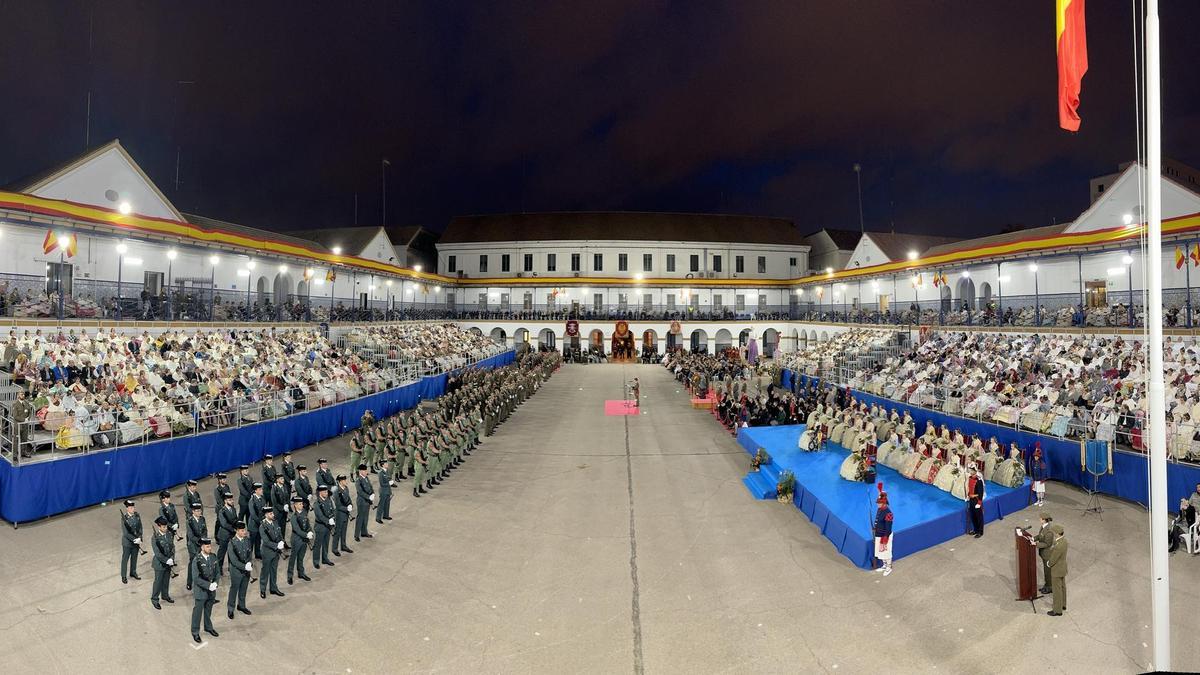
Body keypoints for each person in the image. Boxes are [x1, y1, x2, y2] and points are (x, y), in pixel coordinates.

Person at [190, 538, 220, 643]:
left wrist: (216, 583)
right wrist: (208, 585)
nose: (210, 548)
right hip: (201, 591)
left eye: (210, 546)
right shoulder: (197, 560)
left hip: (211, 590)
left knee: (208, 610)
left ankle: (208, 627)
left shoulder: (213, 557)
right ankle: (195, 632)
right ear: (202, 547)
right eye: (207, 546)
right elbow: (196, 578)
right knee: (197, 612)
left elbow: (217, 572)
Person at [225, 522, 253, 619]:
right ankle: (230, 608)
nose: (244, 532)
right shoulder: (232, 543)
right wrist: (245, 566)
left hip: (246, 569)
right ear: (237, 531)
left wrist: (249, 562)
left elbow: (249, 553)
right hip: (236, 571)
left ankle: (241, 606)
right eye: (242, 530)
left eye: (244, 530)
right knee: (234, 589)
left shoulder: (247, 540)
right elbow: (233, 561)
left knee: (243, 588)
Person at [258, 509, 285, 599]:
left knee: (274, 570)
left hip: (276, 552)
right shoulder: (262, 526)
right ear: (266, 515)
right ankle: (263, 589)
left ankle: (273, 588)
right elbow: (266, 541)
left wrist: (281, 541)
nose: (273, 515)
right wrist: (277, 545)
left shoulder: (275, 522)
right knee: (265, 571)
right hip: (267, 552)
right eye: (270, 513)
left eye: (272, 513)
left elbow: (279, 534)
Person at [1033, 513, 1063, 594]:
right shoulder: (1043, 527)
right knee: (1046, 571)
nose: (1039, 519)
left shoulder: (1049, 531)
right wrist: (1033, 538)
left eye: (1041, 518)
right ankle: (1047, 585)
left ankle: (1050, 588)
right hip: (1044, 554)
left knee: (1048, 572)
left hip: (1047, 555)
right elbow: (1040, 536)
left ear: (1044, 520)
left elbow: (1047, 544)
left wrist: (1035, 544)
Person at [150, 516, 176, 610]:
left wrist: (172, 559)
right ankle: (154, 599)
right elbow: (157, 553)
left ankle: (165, 595)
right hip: (159, 564)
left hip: (168, 562)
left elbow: (172, 547)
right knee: (158, 582)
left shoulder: (169, 534)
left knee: (166, 581)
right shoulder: (155, 538)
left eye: (166, 527)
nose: (165, 528)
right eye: (163, 527)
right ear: (159, 527)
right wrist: (166, 560)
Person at [287, 496, 313, 584]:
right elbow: (297, 530)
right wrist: (306, 535)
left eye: (302, 504)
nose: (302, 505)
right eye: (299, 504)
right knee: (293, 558)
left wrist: (310, 531)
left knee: (301, 558)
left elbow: (308, 524)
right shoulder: (294, 517)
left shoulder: (304, 513)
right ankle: (289, 576)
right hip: (296, 539)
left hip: (304, 540)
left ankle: (301, 573)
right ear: (295, 505)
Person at [312, 484, 336, 569]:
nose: (327, 493)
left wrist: (333, 518)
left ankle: (325, 558)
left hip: (328, 526)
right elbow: (320, 516)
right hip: (320, 526)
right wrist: (328, 521)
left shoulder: (328, 500)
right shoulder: (317, 503)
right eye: (325, 492)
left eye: (326, 492)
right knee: (318, 545)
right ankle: (316, 561)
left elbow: (333, 510)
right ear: (320, 493)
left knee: (326, 543)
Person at [1046, 527, 1068, 616]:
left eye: (1054, 532)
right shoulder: (1064, 541)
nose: (1053, 534)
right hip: (1063, 568)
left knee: (1056, 590)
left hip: (1057, 570)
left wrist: (1048, 563)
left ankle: (1057, 610)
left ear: (1057, 534)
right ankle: (1063, 605)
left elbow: (1053, 559)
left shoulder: (1058, 546)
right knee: (1062, 587)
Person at [185, 502, 207, 591]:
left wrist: (204, 541)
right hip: (193, 546)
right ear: (193, 512)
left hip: (201, 545)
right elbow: (190, 535)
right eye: (197, 511)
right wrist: (199, 541)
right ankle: (189, 582)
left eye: (200, 510)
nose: (199, 512)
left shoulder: (202, 519)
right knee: (193, 564)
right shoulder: (189, 521)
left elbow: (205, 530)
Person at [120, 499, 143, 584]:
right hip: (127, 543)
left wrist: (140, 537)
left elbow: (140, 527)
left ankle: (133, 572)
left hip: (136, 541)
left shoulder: (137, 515)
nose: (133, 509)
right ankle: (123, 576)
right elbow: (125, 533)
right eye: (131, 507)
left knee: (134, 558)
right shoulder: (124, 519)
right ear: (127, 508)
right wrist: (134, 539)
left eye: (133, 507)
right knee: (125, 559)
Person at [873, 482, 894, 576]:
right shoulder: (880, 509)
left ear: (884, 503)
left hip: (885, 535)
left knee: (886, 552)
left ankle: (889, 567)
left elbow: (888, 527)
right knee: (880, 552)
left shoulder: (888, 513)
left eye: (879, 503)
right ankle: (884, 565)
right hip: (879, 533)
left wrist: (885, 537)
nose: (878, 504)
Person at [215, 491, 238, 576]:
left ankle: (231, 567)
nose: (232, 501)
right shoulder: (222, 511)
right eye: (229, 500)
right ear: (225, 501)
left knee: (231, 552)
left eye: (232, 499)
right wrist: (233, 529)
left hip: (231, 534)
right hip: (224, 535)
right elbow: (224, 524)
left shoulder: (233, 509)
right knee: (222, 553)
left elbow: (235, 519)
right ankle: (218, 568)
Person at [332, 474, 354, 555]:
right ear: (340, 481)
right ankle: (334, 549)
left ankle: (343, 546)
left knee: (344, 531)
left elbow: (348, 498)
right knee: (337, 531)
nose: (346, 481)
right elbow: (338, 505)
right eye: (344, 480)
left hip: (345, 513)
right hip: (339, 514)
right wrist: (346, 508)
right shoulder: (336, 491)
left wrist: (351, 505)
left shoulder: (346, 488)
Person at [354, 463, 375, 541]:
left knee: (365, 518)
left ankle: (364, 532)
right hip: (362, 502)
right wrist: (368, 496)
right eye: (365, 470)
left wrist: (372, 493)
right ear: (360, 471)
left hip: (367, 501)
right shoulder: (358, 480)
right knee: (360, 518)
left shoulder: (366, 478)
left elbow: (370, 486)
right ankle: (356, 535)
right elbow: (360, 492)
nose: (366, 471)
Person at [247, 482, 266, 559]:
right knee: (251, 542)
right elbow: (253, 514)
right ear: (255, 491)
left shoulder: (262, 498)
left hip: (260, 523)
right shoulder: (252, 501)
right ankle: (248, 557)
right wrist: (261, 521)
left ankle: (257, 553)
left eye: (261, 489)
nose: (262, 490)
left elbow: (264, 510)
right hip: (253, 525)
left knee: (258, 539)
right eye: (260, 489)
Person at [967, 466, 986, 538]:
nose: (970, 472)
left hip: (976, 500)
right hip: (971, 500)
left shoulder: (979, 480)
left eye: (971, 470)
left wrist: (979, 503)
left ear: (975, 471)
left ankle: (980, 531)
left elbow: (981, 493)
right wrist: (969, 495)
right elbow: (970, 488)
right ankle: (975, 529)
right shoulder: (970, 478)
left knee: (979, 517)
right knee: (973, 516)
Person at [375, 459, 393, 524]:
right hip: (383, 491)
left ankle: (385, 515)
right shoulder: (380, 473)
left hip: (388, 490)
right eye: (386, 464)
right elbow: (382, 484)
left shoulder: (387, 471)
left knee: (387, 504)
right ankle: (378, 518)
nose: (387, 464)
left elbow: (389, 478)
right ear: (382, 465)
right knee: (381, 505)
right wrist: (389, 483)